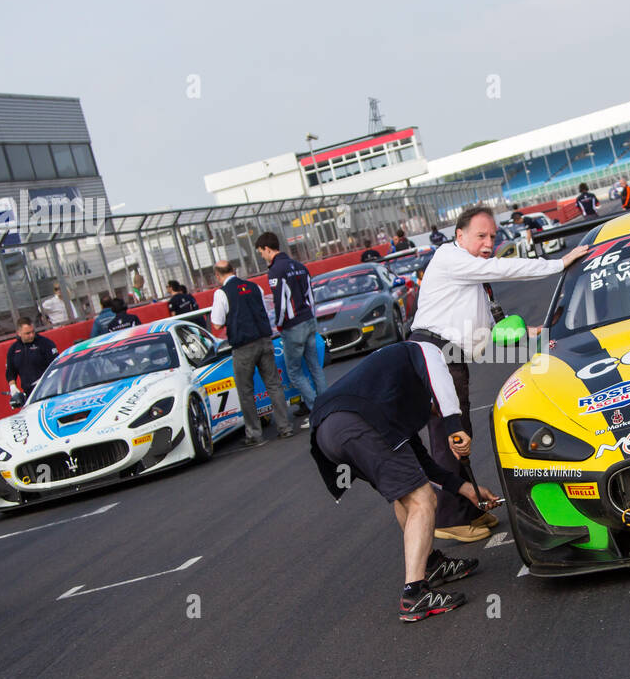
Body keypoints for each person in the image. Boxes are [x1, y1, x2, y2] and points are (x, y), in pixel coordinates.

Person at [408, 205, 590, 543]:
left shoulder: (469, 277)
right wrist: (558, 263)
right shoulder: (451, 259)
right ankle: (449, 518)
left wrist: (526, 333)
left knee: (460, 432)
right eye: (480, 236)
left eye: (492, 236)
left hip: (448, 357)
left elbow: (484, 333)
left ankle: (468, 510)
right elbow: (503, 268)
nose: (488, 242)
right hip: (434, 356)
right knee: (450, 437)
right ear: (459, 236)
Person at [310, 340, 498, 621]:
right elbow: (440, 382)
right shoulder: (425, 350)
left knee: (406, 493)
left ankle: (430, 563)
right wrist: (453, 425)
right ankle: (414, 594)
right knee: (423, 500)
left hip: (327, 432)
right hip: (355, 424)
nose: (437, 410)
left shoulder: (395, 393)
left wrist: (466, 488)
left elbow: (421, 463)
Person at [209, 260, 294, 445]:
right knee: (273, 384)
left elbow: (216, 323)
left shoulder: (221, 293)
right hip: (264, 339)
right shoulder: (254, 287)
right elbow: (263, 311)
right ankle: (285, 427)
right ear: (234, 270)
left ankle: (255, 434)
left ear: (217, 275)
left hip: (243, 346)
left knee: (246, 391)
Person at [254, 231, 325, 424]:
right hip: (309, 319)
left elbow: (280, 303)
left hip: (293, 326)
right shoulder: (300, 266)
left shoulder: (275, 271)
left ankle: (316, 410)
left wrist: (277, 325)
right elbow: (311, 296)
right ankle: (327, 406)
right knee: (314, 366)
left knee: (294, 371)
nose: (262, 256)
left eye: (261, 252)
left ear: (268, 249)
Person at [5, 318, 58, 408]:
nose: (31, 335)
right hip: (29, 394)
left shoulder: (45, 343)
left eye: (33, 332)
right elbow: (10, 371)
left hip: (48, 390)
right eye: (27, 333)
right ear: (19, 333)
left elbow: (56, 365)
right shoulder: (13, 349)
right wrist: (12, 386)